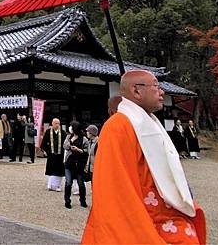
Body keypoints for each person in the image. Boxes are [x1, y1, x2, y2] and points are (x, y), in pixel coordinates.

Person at [82, 70, 206, 244]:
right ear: (136, 91)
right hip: (144, 214)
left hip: (162, 210)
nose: (162, 92)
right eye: (156, 86)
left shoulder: (150, 122)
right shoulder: (117, 126)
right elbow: (116, 186)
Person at [63, 121, 88, 209]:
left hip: (79, 164)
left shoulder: (84, 139)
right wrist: (70, 145)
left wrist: (78, 149)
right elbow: (65, 145)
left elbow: (86, 151)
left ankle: (83, 200)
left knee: (81, 183)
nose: (70, 128)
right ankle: (67, 200)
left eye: (71, 127)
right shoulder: (68, 136)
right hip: (69, 163)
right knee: (68, 183)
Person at [40, 118, 65, 192]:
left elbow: (65, 143)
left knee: (59, 171)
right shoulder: (48, 132)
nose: (57, 125)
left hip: (60, 155)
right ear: (52, 124)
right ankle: (50, 184)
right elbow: (44, 143)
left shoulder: (63, 133)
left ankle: (58, 185)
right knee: (51, 170)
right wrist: (47, 151)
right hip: (51, 155)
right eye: (56, 123)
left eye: (58, 124)